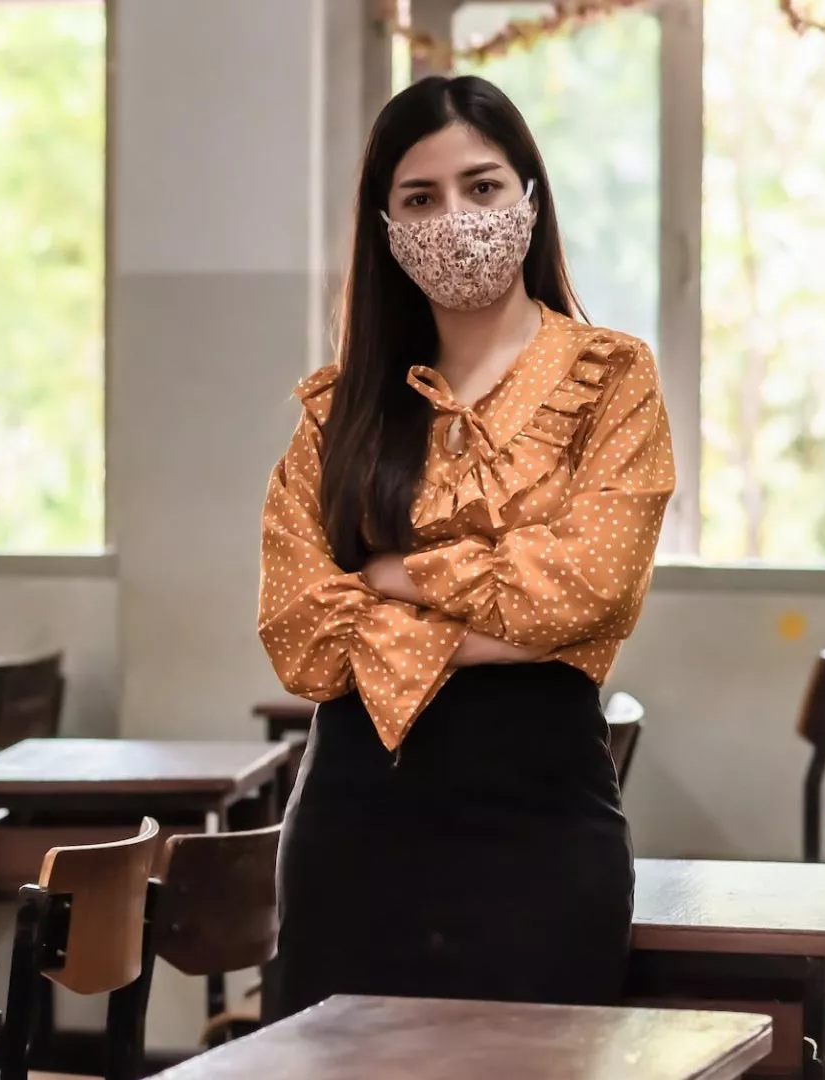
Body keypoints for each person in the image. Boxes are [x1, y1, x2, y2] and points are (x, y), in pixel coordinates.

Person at [258, 74, 675, 1015]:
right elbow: (298, 631)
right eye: (421, 197)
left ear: (530, 197)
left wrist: (391, 576)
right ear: (386, 225)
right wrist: (506, 612)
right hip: (351, 827)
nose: (456, 218)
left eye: (483, 187)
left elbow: (588, 595)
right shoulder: (340, 407)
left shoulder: (613, 378)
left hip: (542, 832)